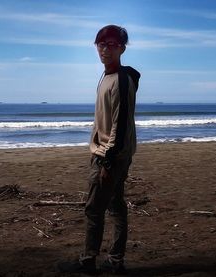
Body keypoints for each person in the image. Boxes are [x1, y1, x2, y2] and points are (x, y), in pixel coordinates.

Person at [58, 24, 141, 274]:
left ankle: (88, 261)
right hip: (109, 152)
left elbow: (121, 122)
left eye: (112, 45)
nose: (105, 49)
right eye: (101, 45)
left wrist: (108, 161)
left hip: (110, 155)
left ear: (122, 49)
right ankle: (116, 261)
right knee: (115, 206)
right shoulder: (106, 76)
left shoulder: (122, 80)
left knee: (94, 209)